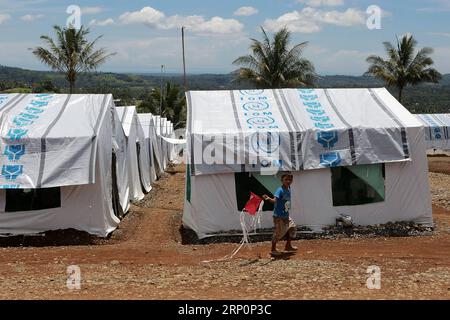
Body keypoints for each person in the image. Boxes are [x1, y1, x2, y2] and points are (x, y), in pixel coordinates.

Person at [263, 173, 297, 256]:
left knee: (291, 227)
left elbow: (287, 202)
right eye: (286, 179)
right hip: (278, 216)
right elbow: (275, 200)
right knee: (278, 233)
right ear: (282, 180)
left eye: (290, 179)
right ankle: (273, 250)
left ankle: (288, 246)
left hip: (286, 214)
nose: (288, 181)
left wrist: (287, 210)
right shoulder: (280, 190)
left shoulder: (288, 189)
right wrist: (268, 199)